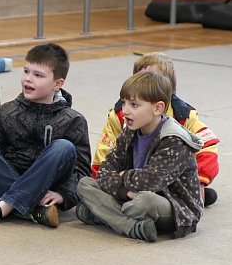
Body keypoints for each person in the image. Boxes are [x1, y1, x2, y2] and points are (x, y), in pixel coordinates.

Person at [0, 43, 90, 228]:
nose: (28, 79)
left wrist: (63, 194)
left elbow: (82, 171)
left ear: (58, 84)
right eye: (26, 71)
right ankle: (33, 210)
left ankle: (3, 207)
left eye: (38, 75)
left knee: (64, 147)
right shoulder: (6, 112)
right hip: (6, 177)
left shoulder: (74, 120)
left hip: (47, 186)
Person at [76, 70, 203, 241]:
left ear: (157, 108)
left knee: (145, 201)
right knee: (85, 184)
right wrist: (126, 193)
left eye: (134, 105)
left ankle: (102, 214)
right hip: (130, 196)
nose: (125, 110)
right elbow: (105, 171)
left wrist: (123, 175)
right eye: (124, 103)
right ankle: (131, 226)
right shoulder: (129, 132)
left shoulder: (173, 140)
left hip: (172, 207)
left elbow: (152, 181)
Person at [91, 52, 219, 206]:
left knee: (145, 201)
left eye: (154, 78)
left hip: (160, 182)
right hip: (128, 183)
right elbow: (104, 156)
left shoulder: (183, 115)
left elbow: (208, 145)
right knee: (87, 185)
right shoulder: (119, 116)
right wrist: (109, 184)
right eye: (142, 78)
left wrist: (200, 181)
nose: (147, 83)